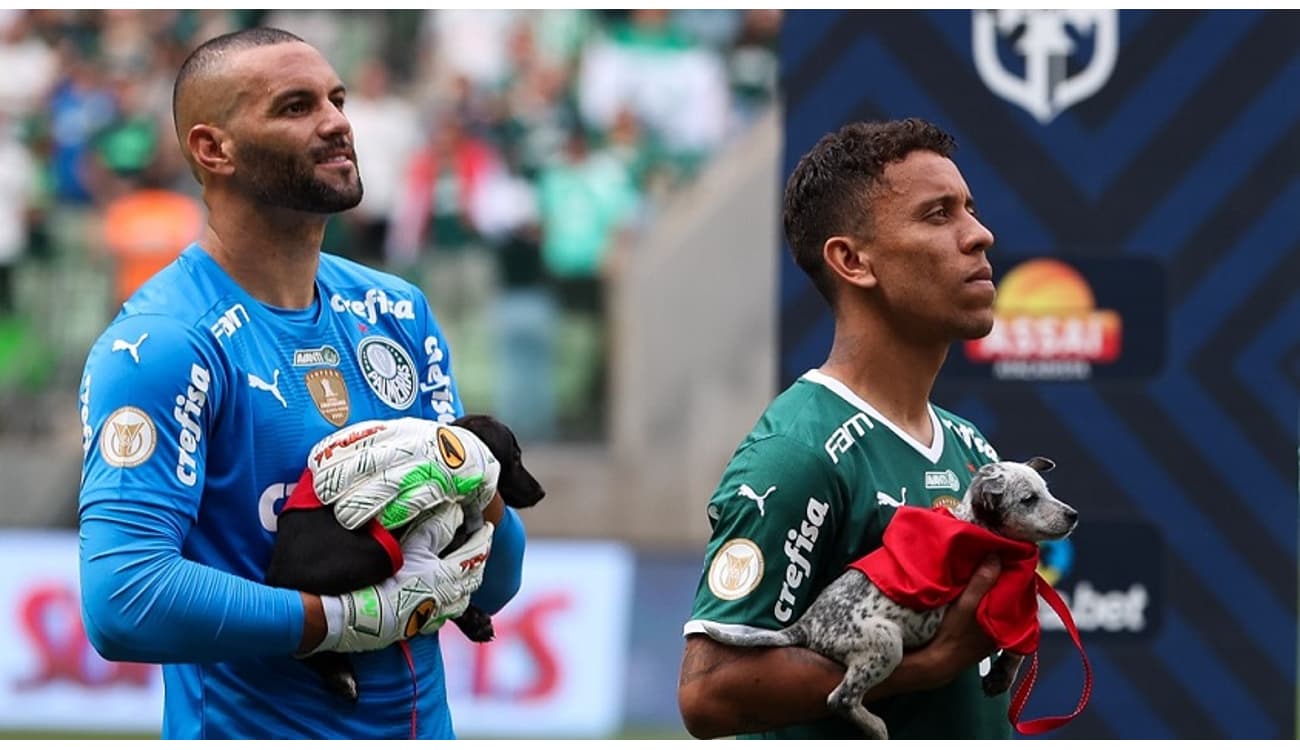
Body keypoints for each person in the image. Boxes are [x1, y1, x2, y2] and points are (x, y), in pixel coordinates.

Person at [76, 27, 527, 739]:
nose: (336, 121)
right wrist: (340, 621)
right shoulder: (163, 344)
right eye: (294, 106)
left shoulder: (396, 312)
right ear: (212, 149)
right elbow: (123, 598)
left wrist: (481, 496)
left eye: (336, 98)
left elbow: (496, 583)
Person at [677, 118, 1011, 739]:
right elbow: (709, 690)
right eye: (939, 215)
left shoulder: (972, 447)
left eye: (970, 209)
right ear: (853, 261)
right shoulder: (797, 452)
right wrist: (927, 665)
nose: (980, 234)